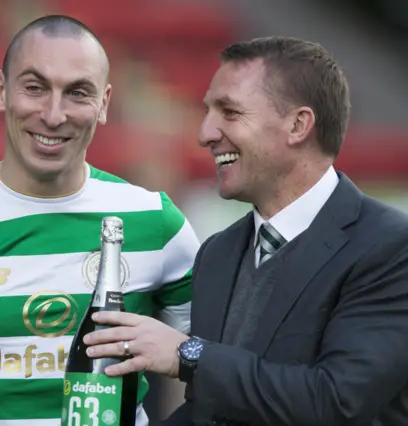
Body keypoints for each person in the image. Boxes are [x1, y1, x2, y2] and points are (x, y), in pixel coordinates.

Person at [0, 14, 200, 426]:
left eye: (77, 93)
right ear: (0, 91)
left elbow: (219, 366)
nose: (53, 114)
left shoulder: (154, 222)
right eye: (34, 88)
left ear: (103, 104)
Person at [83, 36, 408, 425]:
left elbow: (335, 401)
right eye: (208, 112)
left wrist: (189, 355)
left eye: (230, 113)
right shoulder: (218, 253)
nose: (205, 133)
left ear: (298, 125)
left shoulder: (389, 247)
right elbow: (213, 411)